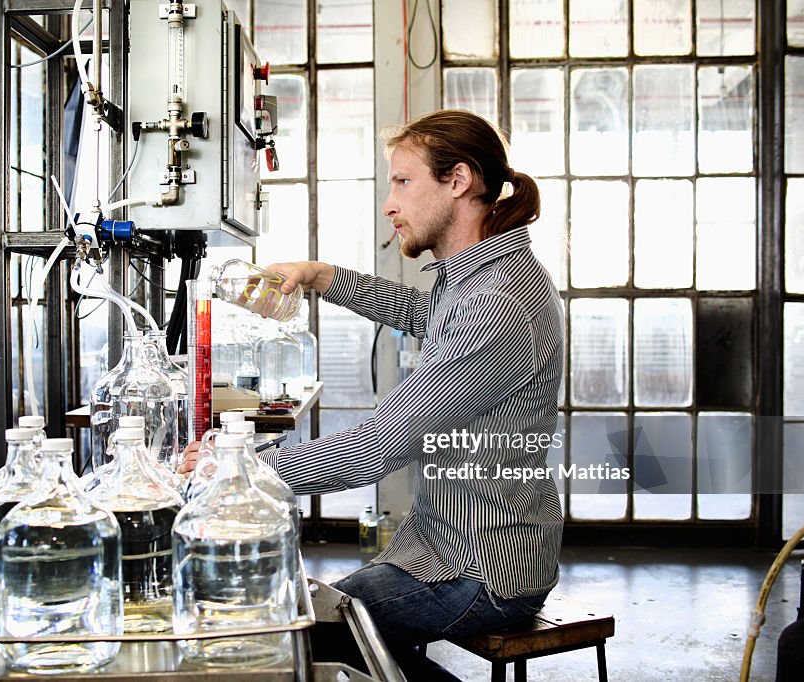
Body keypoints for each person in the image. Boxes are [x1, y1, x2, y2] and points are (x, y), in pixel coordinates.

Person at [182, 109, 564, 680]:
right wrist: (320, 276)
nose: (390, 203)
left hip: (480, 570)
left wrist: (244, 468)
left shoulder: (498, 300)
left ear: (458, 180)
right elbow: (418, 312)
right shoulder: (477, 278)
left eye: (403, 182)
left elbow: (383, 447)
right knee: (341, 628)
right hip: (443, 549)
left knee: (309, 632)